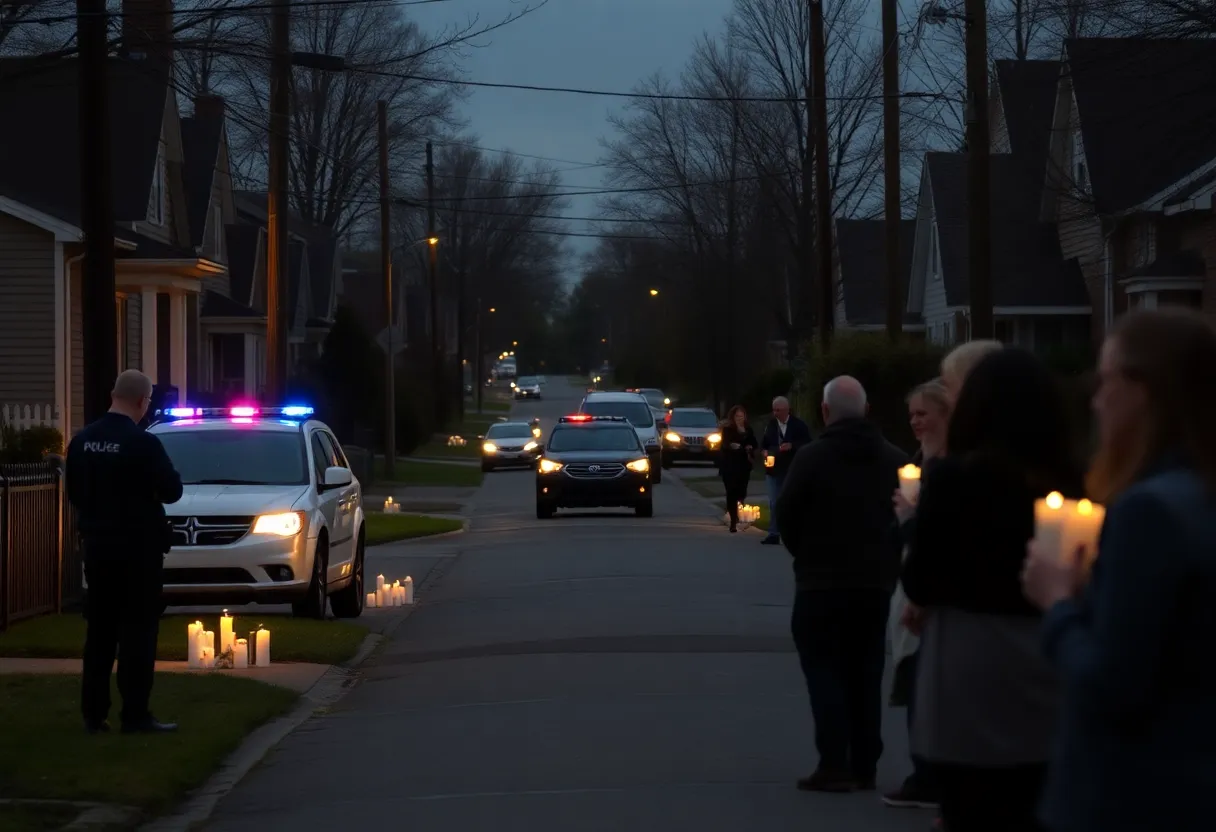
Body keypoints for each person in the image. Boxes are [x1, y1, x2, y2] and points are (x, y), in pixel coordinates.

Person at [1022, 309, 1216, 832]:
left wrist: (1058, 601)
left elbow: (1113, 683)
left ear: (1144, 388)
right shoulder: (1200, 495)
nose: (1095, 400)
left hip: (1132, 793)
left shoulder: (1148, 512)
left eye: (1105, 380)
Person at [902, 349, 1084, 832]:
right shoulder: (1074, 484)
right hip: (1048, 652)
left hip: (969, 659)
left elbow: (921, 576)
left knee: (973, 803)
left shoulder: (953, 479)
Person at [776, 376, 908, 792]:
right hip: (874, 585)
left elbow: (788, 514)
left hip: (820, 583)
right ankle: (865, 760)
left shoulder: (812, 458)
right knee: (866, 670)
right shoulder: (896, 461)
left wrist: (806, 555)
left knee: (823, 669)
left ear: (825, 411)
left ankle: (834, 761)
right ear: (867, 411)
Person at [66, 370, 183, 734]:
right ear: (142, 401)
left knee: (99, 632)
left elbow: (75, 493)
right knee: (138, 632)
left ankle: (93, 714)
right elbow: (172, 489)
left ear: (112, 394)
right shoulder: (143, 443)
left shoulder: (82, 442)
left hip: (98, 549)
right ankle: (135, 714)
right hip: (138, 552)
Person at [883, 379, 951, 812]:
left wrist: (910, 518)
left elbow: (939, 536)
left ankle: (929, 774)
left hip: (931, 593)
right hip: (912, 581)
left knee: (925, 681)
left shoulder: (948, 467)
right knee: (913, 674)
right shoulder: (921, 460)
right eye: (911, 414)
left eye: (923, 413)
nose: (915, 421)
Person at [759, 395, 812, 545]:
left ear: (787, 410)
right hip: (773, 469)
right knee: (774, 501)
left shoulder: (799, 425)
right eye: (774, 410)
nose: (776, 413)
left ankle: (794, 532)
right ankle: (774, 533)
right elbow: (764, 444)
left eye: (779, 410)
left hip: (791, 469)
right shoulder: (770, 425)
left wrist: (792, 446)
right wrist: (764, 452)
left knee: (791, 502)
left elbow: (807, 444)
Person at [718, 405, 759, 533]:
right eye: (737, 416)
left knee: (741, 492)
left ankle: (737, 510)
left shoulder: (748, 430)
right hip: (730, 465)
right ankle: (733, 521)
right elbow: (724, 444)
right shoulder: (728, 429)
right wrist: (731, 446)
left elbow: (755, 444)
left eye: (741, 416)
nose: (739, 419)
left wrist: (749, 447)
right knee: (731, 492)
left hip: (743, 465)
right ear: (733, 417)